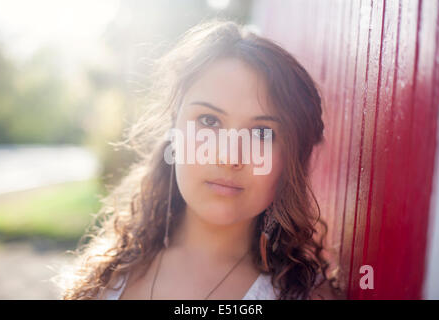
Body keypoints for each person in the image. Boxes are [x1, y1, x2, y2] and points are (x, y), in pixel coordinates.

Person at [51, 19, 343, 300]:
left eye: (262, 132)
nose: (229, 157)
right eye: (209, 120)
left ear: (290, 159)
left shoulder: (307, 296)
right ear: (174, 131)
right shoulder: (102, 275)